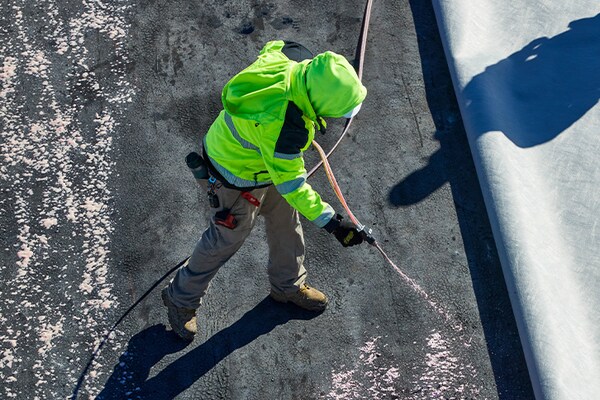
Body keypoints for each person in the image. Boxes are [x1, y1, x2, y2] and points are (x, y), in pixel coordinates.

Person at [162, 40, 367, 340]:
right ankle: (180, 299)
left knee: (286, 221)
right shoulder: (285, 126)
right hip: (237, 173)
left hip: (262, 162)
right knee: (225, 238)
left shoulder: (296, 59)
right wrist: (333, 223)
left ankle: (288, 285)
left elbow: (274, 46)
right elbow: (293, 185)